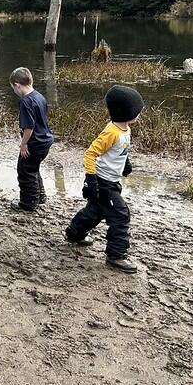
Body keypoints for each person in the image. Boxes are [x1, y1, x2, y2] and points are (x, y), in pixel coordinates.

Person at [64, 85, 144, 274]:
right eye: (137, 110)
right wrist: (91, 180)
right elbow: (90, 154)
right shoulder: (111, 132)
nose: (139, 114)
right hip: (103, 182)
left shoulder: (125, 130)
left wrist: (126, 163)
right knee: (120, 215)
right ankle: (116, 256)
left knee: (96, 210)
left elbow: (120, 150)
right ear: (126, 112)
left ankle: (74, 233)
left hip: (112, 180)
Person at [9, 67, 54, 212]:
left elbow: (29, 126)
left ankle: (28, 204)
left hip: (34, 143)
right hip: (45, 141)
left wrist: (23, 144)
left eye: (13, 88)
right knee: (34, 169)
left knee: (25, 171)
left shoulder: (26, 101)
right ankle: (40, 196)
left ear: (17, 85)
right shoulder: (39, 96)